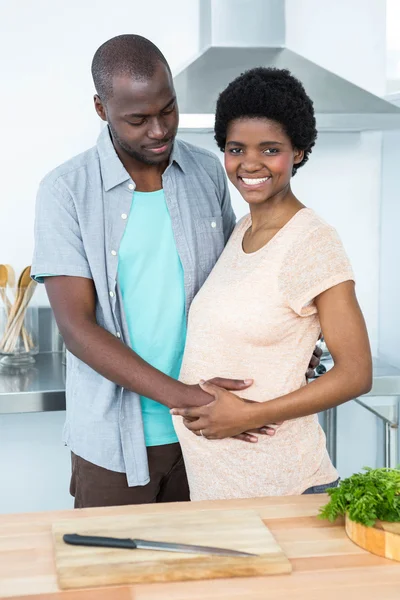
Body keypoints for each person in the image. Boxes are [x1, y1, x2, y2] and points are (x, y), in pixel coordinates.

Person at [31, 36, 320, 509]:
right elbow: (78, 330)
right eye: (138, 120)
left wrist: (282, 344)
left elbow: (235, 282)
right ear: (102, 109)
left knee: (209, 577)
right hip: (117, 445)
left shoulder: (207, 172)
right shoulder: (66, 192)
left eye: (168, 110)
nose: (159, 130)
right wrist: (190, 399)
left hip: (213, 436)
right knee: (116, 583)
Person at [171, 67, 372, 500]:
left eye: (270, 149)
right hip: (223, 491)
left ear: (298, 151)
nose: (250, 163)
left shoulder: (312, 242)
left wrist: (250, 414)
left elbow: (356, 373)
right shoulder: (239, 230)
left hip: (284, 489)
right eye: (236, 148)